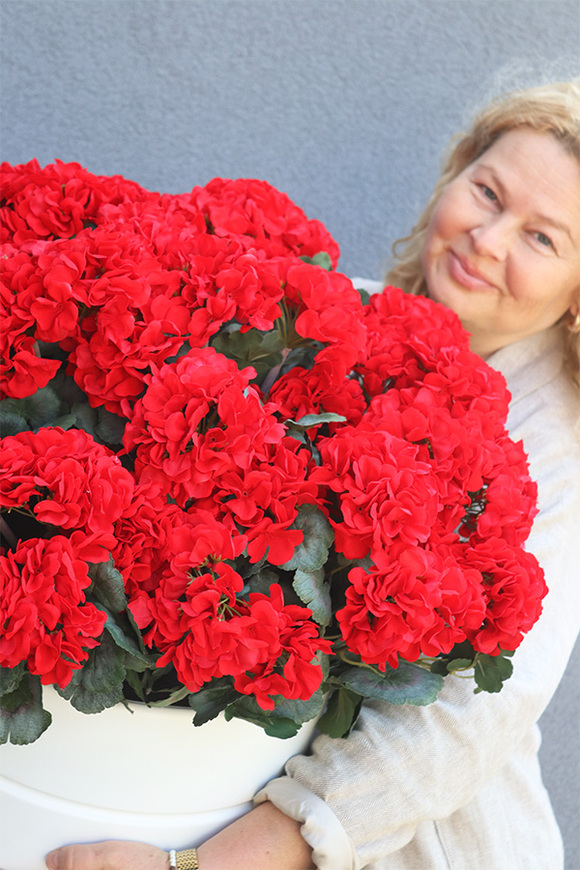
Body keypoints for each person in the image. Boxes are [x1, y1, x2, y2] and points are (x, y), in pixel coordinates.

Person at [45, 80, 580, 870]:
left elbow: (467, 721)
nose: (489, 239)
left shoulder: (556, 450)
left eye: (542, 238)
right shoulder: (335, 312)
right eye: (487, 192)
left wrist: (204, 868)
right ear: (454, 174)